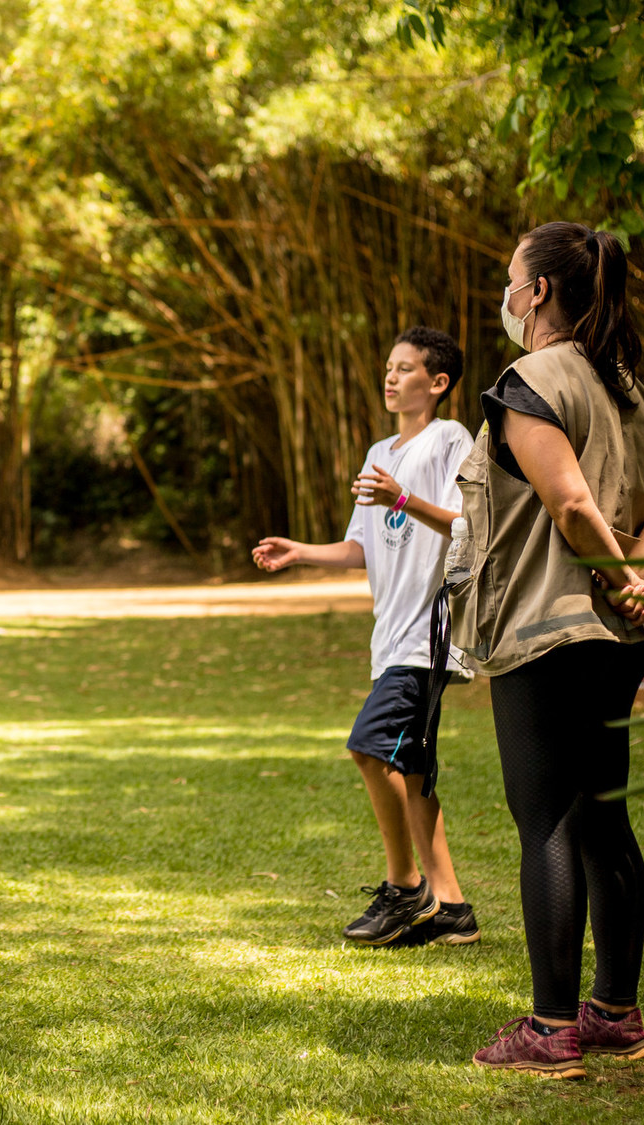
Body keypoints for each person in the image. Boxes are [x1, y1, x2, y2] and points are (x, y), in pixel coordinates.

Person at [450, 221, 644, 1078]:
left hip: (545, 628)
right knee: (603, 816)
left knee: (545, 819)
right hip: (612, 638)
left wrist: (622, 575)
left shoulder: (532, 379)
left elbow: (569, 504)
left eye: (511, 278)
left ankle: (552, 1026)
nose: (506, 293)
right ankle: (616, 1013)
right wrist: (636, 581)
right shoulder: (626, 386)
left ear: (542, 291)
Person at [252, 327, 481, 949]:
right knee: (412, 769)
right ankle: (454, 908)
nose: (390, 377)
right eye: (388, 367)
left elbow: (471, 524)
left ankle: (405, 885)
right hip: (391, 638)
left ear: (437, 383)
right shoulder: (380, 449)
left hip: (429, 638)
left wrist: (403, 495)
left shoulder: (449, 437)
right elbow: (363, 546)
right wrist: (300, 551)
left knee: (369, 746)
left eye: (405, 369)